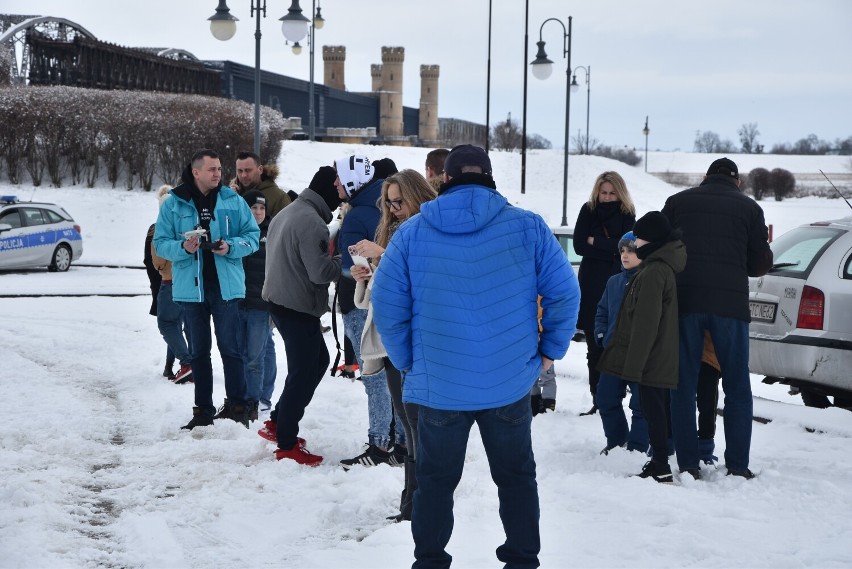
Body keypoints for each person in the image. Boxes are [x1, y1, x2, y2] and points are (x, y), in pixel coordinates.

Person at [371, 144, 581, 568]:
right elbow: (564, 292)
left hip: (439, 385)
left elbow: (387, 303)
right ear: (489, 176)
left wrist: (410, 359)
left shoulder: (412, 233)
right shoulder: (528, 227)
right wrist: (549, 352)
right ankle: (522, 560)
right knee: (516, 477)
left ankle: (430, 561)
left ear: (443, 179)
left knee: (434, 482)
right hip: (508, 382)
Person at [661, 157, 773, 480]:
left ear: (706, 178)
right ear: (737, 181)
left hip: (686, 303)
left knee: (682, 385)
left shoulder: (677, 203)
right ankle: (737, 465)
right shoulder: (750, 209)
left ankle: (687, 465)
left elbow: (664, 249)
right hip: (730, 307)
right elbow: (758, 264)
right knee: (737, 386)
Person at [349, 168, 437, 521]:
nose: (394, 208)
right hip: (388, 341)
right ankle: (412, 504)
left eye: (400, 201)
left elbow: (424, 277)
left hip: (414, 342)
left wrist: (382, 255)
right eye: (389, 203)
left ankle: (417, 506)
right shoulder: (394, 229)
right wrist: (367, 274)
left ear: (418, 197)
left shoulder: (430, 229)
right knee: (408, 424)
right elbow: (387, 290)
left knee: (417, 428)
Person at [153, 149, 259, 430]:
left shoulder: (232, 199)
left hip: (226, 287)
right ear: (196, 171)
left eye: (219, 168)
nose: (218, 174)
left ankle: (238, 407)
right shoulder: (174, 203)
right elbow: (160, 243)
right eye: (211, 169)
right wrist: (182, 248)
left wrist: (231, 246)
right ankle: (202, 412)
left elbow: (253, 237)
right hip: (191, 289)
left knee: (231, 349)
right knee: (199, 351)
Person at [260, 166, 343, 466]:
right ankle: (285, 441)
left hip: (282, 301)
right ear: (329, 193)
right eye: (338, 191)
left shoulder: (291, 210)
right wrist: (344, 259)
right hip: (296, 305)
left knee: (317, 361)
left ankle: (278, 420)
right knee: (303, 370)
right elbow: (321, 273)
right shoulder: (312, 223)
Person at [597, 212, 686, 483]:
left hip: (652, 356)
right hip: (657, 354)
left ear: (654, 239)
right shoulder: (658, 267)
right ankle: (659, 461)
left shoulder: (654, 271)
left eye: (641, 238)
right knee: (654, 408)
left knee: (652, 410)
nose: (637, 243)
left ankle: (660, 463)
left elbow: (646, 323)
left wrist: (634, 366)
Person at [334, 154, 406, 469]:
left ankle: (380, 443)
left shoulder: (356, 215)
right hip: (391, 303)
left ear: (352, 181)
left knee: (374, 374)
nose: (335, 183)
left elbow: (353, 266)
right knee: (396, 375)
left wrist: (349, 269)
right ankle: (403, 443)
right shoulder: (384, 208)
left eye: (339, 178)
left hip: (362, 302)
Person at [572, 171, 636, 415]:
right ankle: (597, 398)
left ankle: (614, 397)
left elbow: (627, 247)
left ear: (620, 192)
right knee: (594, 347)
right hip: (591, 283)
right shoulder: (588, 210)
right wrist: (609, 247)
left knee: (617, 343)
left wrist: (594, 241)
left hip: (618, 283)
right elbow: (579, 245)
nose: (607, 197)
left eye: (612, 193)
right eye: (604, 192)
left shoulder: (627, 213)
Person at [594, 231, 648, 455]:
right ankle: (617, 442)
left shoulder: (649, 280)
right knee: (605, 398)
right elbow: (602, 311)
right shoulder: (614, 281)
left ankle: (637, 448)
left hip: (639, 354)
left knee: (641, 405)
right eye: (622, 251)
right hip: (614, 351)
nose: (625, 256)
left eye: (631, 250)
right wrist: (600, 333)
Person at [237, 190, 274, 419]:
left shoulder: (273, 233)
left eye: (262, 208)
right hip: (240, 302)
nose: (259, 212)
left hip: (261, 305)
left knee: (255, 357)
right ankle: (256, 397)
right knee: (250, 352)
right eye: (254, 208)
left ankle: (256, 401)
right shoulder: (239, 232)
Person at [151, 185, 193, 385]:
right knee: (186, 327)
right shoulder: (188, 227)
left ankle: (187, 363)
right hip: (189, 284)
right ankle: (178, 366)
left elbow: (157, 262)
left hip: (169, 283)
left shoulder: (159, 230)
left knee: (168, 324)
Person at [230, 151, 291, 218]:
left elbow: (285, 226)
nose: (243, 175)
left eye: (248, 170)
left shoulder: (278, 197)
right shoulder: (231, 195)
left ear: (260, 170)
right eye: (240, 171)